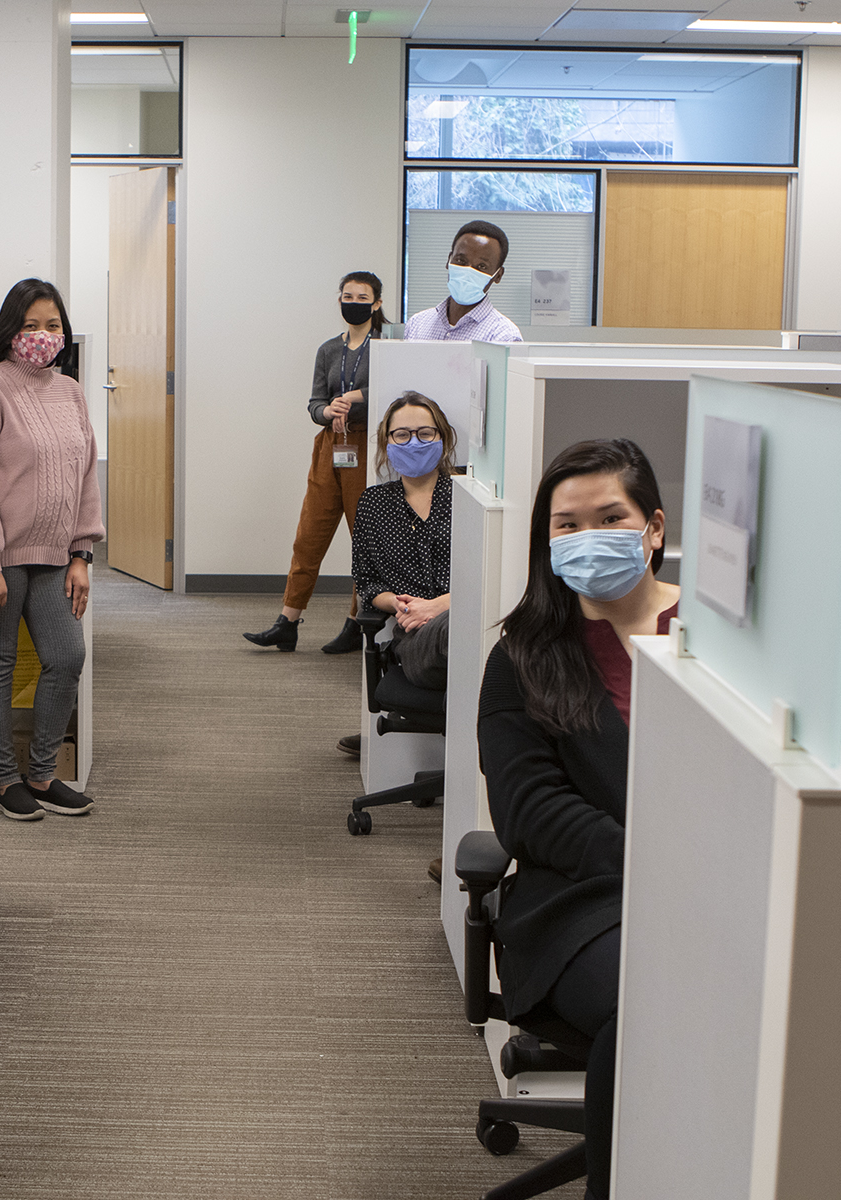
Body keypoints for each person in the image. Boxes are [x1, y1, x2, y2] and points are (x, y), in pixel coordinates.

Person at [479, 438, 678, 1200]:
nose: (587, 536)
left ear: (653, 527)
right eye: (566, 524)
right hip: (582, 905)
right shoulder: (525, 656)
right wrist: (656, 862)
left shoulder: (723, 638)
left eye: (609, 516)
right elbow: (529, 811)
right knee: (651, 1004)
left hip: (724, 884)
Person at [0, 278, 104, 822]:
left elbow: (84, 473)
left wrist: (82, 553)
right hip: (3, 559)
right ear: (9, 331)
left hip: (55, 556)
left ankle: (43, 774)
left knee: (67, 656)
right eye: (30, 326)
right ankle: (4, 778)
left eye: (52, 325)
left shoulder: (70, 390)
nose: (42, 336)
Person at [244, 271, 386, 655]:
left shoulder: (389, 346)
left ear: (376, 303)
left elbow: (396, 389)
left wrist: (355, 397)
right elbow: (314, 404)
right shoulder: (328, 350)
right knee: (308, 538)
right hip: (329, 446)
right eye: (346, 295)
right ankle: (287, 622)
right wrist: (327, 412)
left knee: (366, 543)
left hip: (368, 448)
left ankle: (358, 622)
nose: (352, 302)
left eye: (362, 296)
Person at [348, 390, 456, 724]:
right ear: (387, 443)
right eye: (402, 435)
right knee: (454, 629)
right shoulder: (373, 504)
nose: (414, 442)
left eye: (425, 434)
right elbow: (366, 583)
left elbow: (491, 575)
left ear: (442, 438)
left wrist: (439, 605)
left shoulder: (466, 498)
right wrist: (401, 605)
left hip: (467, 619)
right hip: (416, 640)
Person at [404, 220, 523, 345]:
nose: (468, 271)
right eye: (461, 260)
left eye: (481, 266)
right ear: (449, 260)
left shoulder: (504, 336)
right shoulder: (417, 325)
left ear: (498, 275)